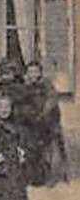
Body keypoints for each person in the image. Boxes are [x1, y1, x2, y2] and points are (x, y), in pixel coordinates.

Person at [22, 61, 70, 192]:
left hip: (48, 123)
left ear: (40, 73)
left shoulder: (47, 85)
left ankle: (55, 179)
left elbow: (51, 101)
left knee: (53, 151)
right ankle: (37, 178)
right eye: (30, 72)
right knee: (34, 151)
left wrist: (42, 114)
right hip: (32, 124)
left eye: (36, 71)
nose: (33, 74)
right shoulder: (26, 87)